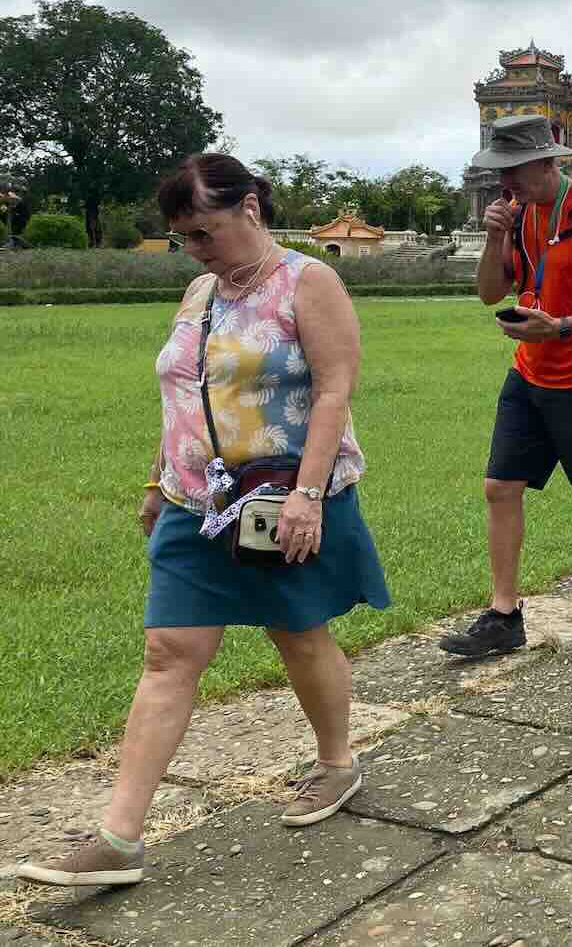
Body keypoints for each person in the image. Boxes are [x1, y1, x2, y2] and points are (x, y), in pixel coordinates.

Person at [17, 155, 389, 887]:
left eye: (203, 231)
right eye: (183, 236)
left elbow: (334, 392)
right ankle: (118, 840)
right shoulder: (198, 292)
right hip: (197, 502)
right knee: (168, 651)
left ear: (249, 206)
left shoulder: (308, 282)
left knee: (298, 634)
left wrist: (309, 497)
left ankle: (338, 763)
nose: (193, 248)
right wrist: (159, 478)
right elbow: (183, 391)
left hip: (280, 498)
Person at [439, 115, 572, 658]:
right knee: (499, 487)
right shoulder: (520, 214)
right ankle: (504, 614)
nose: (504, 183)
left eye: (512, 170)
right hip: (529, 372)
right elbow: (491, 292)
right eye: (498, 172)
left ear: (546, 162)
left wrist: (560, 326)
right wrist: (495, 237)